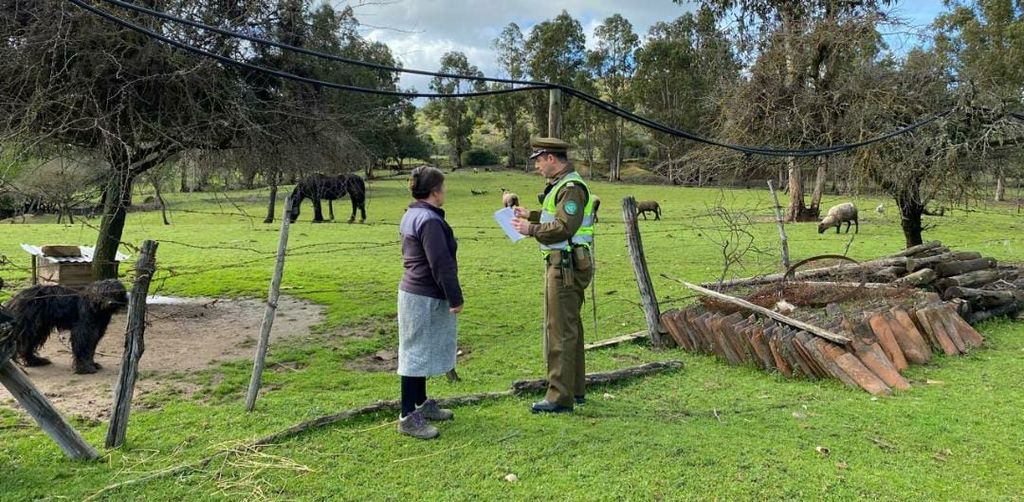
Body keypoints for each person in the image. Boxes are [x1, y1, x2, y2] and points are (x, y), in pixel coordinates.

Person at [510, 137, 595, 413]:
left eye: (539, 160)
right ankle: (576, 390)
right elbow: (555, 218)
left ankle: (559, 397)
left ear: (551, 158)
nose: (536, 166)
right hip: (565, 262)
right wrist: (532, 215)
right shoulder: (561, 187)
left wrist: (529, 229)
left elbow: (563, 228)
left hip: (566, 266)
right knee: (570, 328)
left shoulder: (570, 188)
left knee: (559, 331)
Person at [396, 166, 463, 439]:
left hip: (415, 292)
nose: (444, 192)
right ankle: (406, 417)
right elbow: (441, 263)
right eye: (443, 188)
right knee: (414, 354)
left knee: (420, 349)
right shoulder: (429, 220)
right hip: (423, 294)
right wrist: (455, 296)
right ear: (435, 191)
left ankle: (421, 404)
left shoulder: (412, 214)